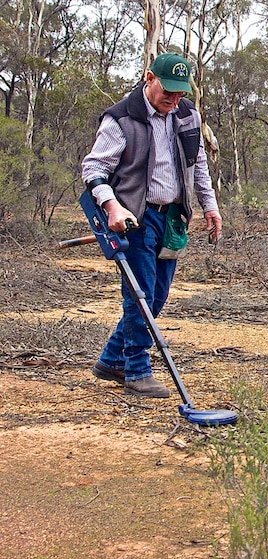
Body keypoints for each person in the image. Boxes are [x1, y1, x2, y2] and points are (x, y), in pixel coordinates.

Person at [81, 52, 222, 398]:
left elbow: (198, 165)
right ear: (149, 78)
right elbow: (93, 170)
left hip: (173, 219)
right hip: (135, 219)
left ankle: (110, 359)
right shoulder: (120, 119)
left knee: (155, 298)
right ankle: (136, 369)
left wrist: (210, 206)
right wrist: (111, 206)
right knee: (139, 294)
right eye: (167, 92)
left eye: (180, 93)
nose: (173, 100)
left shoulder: (188, 116)